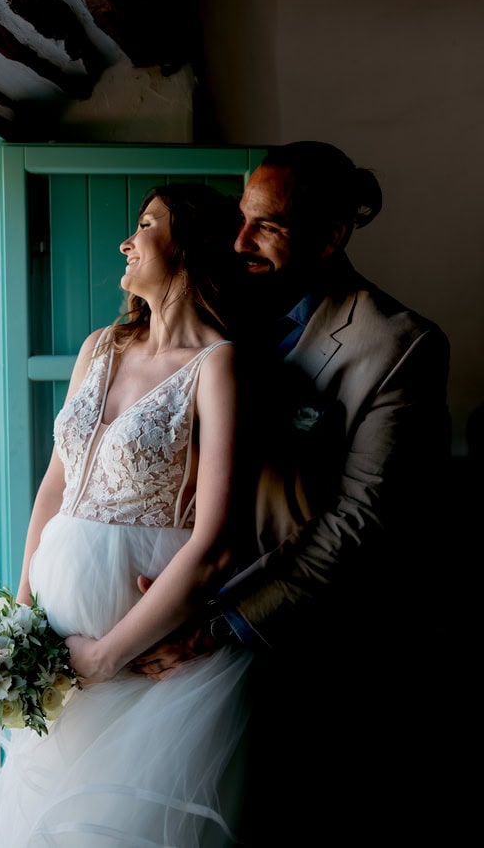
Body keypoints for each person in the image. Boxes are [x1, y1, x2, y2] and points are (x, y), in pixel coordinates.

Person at [132, 141, 453, 841]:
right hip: (171, 618)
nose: (241, 239)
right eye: (242, 218)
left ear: (331, 236)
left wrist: (218, 626)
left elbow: (362, 524)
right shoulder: (215, 300)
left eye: (268, 226)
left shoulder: (397, 346)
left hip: (304, 655)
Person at [0, 182, 255, 847]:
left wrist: (103, 657)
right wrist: (22, 615)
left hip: (140, 654)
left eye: (147, 225)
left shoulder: (217, 365)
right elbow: (52, 491)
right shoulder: (100, 347)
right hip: (57, 638)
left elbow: (212, 542)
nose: (127, 241)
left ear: (189, 245)